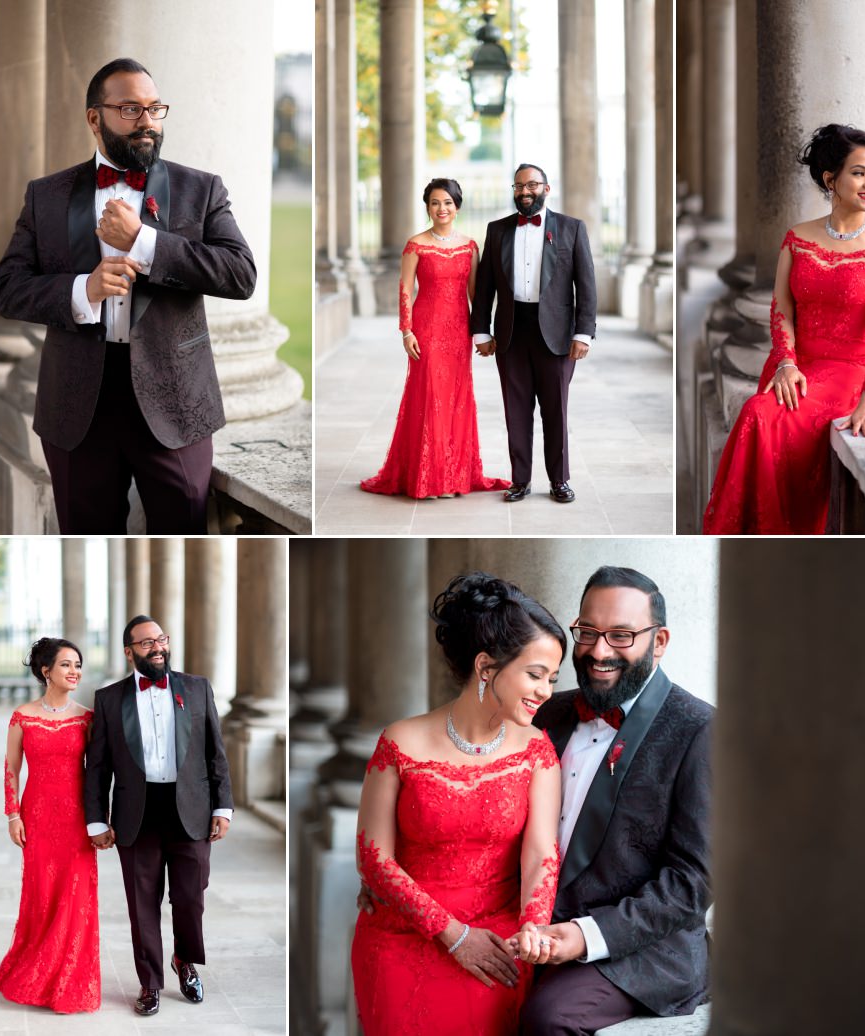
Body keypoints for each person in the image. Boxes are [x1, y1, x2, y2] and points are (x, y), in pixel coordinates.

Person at [0, 57, 256, 534]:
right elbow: (8, 290)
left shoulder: (201, 189)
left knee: (184, 534)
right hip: (76, 406)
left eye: (155, 109)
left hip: (175, 402)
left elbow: (240, 275)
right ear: (95, 118)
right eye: (130, 110)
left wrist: (145, 241)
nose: (148, 122)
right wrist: (82, 289)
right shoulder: (45, 196)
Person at [351, 572, 565, 1036]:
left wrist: (533, 927)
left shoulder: (537, 750)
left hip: (497, 948)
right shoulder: (399, 741)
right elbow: (372, 857)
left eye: (552, 678)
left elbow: (541, 853)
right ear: (487, 666)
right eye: (535, 674)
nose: (546, 691)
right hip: (401, 937)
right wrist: (452, 934)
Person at [516, 566, 714, 1035]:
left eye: (621, 635)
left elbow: (693, 881)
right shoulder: (548, 711)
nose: (599, 651)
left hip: (640, 949)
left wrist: (586, 936)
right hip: (529, 923)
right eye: (588, 632)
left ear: (659, 641)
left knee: (549, 1019)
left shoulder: (701, 730)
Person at [703, 123, 865, 534]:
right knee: (757, 412)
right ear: (831, 179)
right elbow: (781, 309)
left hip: (846, 374)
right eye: (860, 172)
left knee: (767, 416)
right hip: (794, 366)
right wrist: (784, 362)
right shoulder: (798, 238)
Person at [83, 615, 233, 1016]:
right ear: (129, 650)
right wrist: (96, 820)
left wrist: (223, 806)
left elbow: (214, 752)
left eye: (161, 639)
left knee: (190, 898)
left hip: (192, 810)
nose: (158, 647)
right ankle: (149, 983)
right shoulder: (109, 699)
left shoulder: (197, 689)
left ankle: (184, 960)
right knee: (142, 903)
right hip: (137, 812)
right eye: (147, 643)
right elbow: (97, 766)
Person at [361, 178, 510, 498]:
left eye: (447, 203)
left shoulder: (470, 246)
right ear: (427, 207)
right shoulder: (416, 244)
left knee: (456, 401)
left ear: (457, 207)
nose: (441, 209)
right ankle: (428, 476)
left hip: (458, 332)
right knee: (428, 398)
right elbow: (404, 288)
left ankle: (452, 475)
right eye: (435, 203)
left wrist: (482, 332)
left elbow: (475, 294)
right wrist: (406, 331)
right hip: (426, 330)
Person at [470, 163, 597, 505]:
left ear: (546, 188)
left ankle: (559, 480)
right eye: (518, 187)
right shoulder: (497, 230)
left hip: (556, 335)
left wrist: (583, 333)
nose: (524, 192)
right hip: (510, 332)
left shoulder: (571, 229)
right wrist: (480, 329)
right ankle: (520, 481)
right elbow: (484, 287)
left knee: (555, 410)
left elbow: (586, 285)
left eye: (531, 185)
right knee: (516, 411)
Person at [0, 637, 103, 1013]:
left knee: (76, 898)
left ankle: (69, 977)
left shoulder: (88, 717)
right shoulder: (22, 716)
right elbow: (11, 768)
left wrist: (100, 821)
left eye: (77, 664)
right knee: (42, 896)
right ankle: (38, 971)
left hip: (76, 822)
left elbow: (99, 773)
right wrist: (13, 815)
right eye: (66, 665)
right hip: (37, 818)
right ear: (46, 671)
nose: (74, 671)